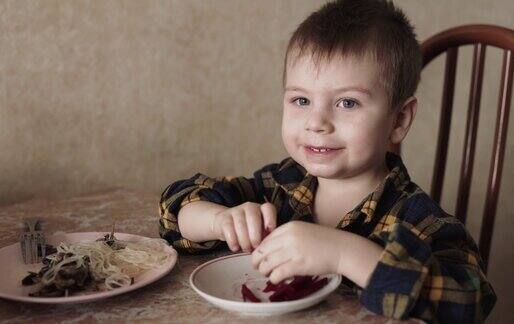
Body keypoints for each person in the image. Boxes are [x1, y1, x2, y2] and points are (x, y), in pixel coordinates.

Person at [158, 0, 496, 322]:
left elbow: (469, 300)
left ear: (399, 120)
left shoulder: (417, 220)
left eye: (347, 103)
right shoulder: (282, 186)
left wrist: (344, 254)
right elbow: (175, 207)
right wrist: (220, 221)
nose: (316, 122)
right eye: (301, 99)